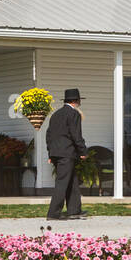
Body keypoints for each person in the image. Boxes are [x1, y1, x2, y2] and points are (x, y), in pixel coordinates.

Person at [46, 88, 88, 219]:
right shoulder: (73, 114)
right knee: (62, 182)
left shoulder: (55, 115)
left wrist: (50, 154)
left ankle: (74, 210)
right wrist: (83, 151)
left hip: (57, 152)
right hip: (67, 152)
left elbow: (49, 135)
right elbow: (76, 135)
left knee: (72, 181)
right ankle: (53, 213)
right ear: (76, 100)